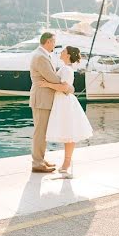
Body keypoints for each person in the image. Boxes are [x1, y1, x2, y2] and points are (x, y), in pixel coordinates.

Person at [45, 46, 93, 178]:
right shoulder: (66, 68)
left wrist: (46, 84)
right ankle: (66, 162)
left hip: (65, 102)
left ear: (67, 55)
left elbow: (65, 87)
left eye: (63, 51)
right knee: (67, 132)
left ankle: (67, 162)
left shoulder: (67, 69)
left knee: (69, 132)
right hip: (62, 101)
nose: (61, 52)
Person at [29, 32, 73, 173]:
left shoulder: (42, 55)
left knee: (42, 132)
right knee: (40, 132)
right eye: (54, 42)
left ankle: (40, 159)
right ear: (48, 42)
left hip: (44, 99)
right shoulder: (41, 57)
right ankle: (37, 162)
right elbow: (53, 78)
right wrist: (69, 88)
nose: (55, 45)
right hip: (42, 99)